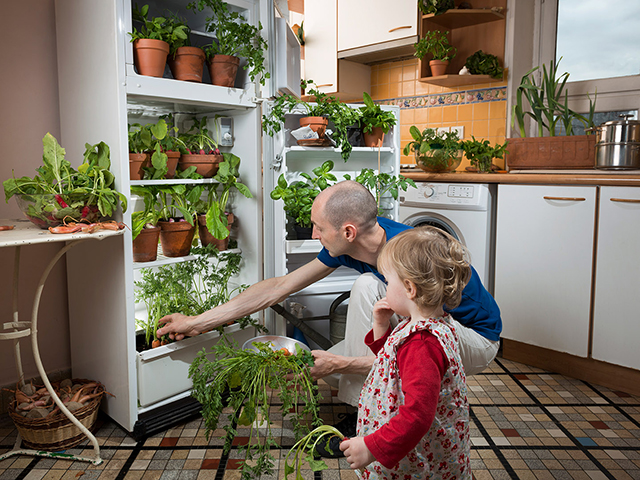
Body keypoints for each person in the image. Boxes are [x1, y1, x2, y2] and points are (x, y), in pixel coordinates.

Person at [156, 181, 500, 440]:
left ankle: (360, 422)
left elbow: (418, 348)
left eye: (319, 227)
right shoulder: (351, 247)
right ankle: (368, 403)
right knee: (318, 363)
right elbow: (280, 286)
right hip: (424, 333)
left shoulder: (405, 257)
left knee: (359, 308)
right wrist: (198, 322)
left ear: (348, 231)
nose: (315, 233)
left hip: (467, 339)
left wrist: (346, 363)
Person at [339, 227, 471, 479]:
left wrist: (371, 447)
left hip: (414, 460)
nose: (385, 288)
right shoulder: (432, 324)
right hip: (430, 448)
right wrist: (380, 326)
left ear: (409, 288)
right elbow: (391, 365)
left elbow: (417, 415)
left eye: (388, 282)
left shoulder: (422, 343)